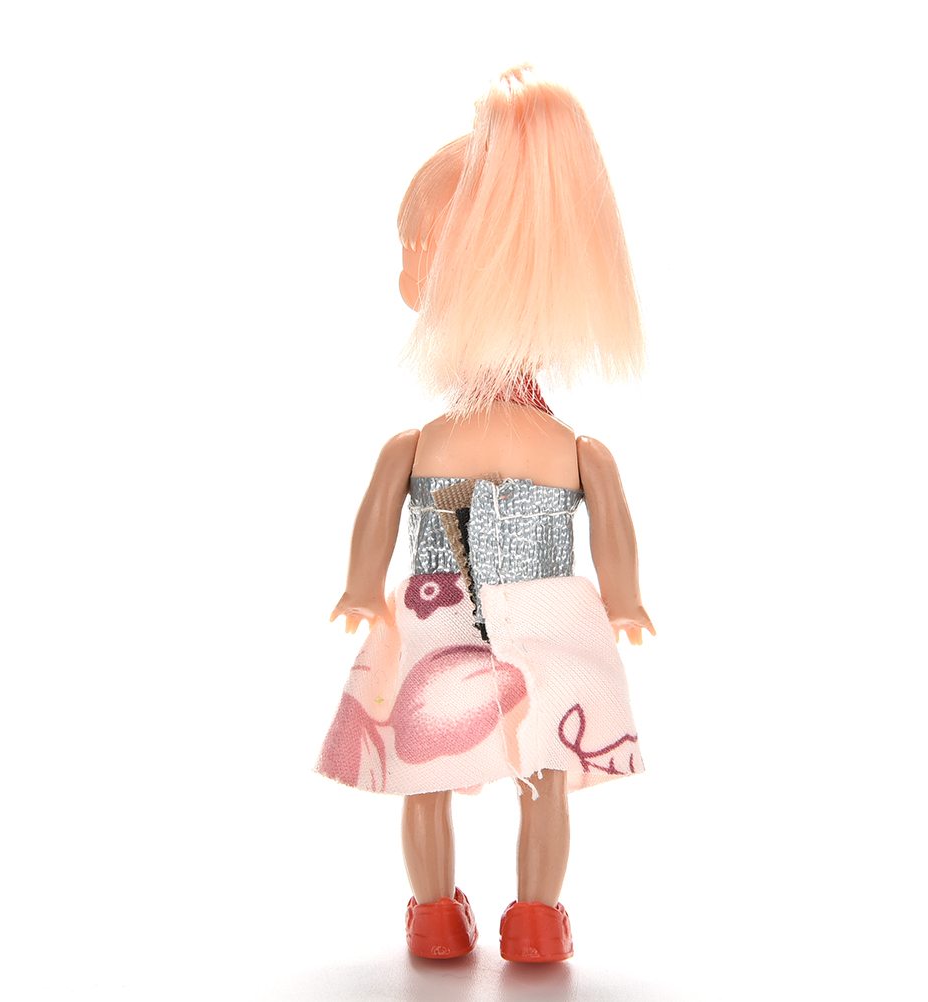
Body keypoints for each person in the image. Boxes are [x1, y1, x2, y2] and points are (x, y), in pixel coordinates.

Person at [317, 64, 654, 962]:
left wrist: (361, 589)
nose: (405, 272)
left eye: (413, 253)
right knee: (542, 768)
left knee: (425, 772)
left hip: (438, 610)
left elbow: (375, 523)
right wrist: (623, 602)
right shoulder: (574, 450)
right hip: (548, 610)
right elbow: (612, 528)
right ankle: (536, 918)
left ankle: (433, 913)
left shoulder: (421, 445)